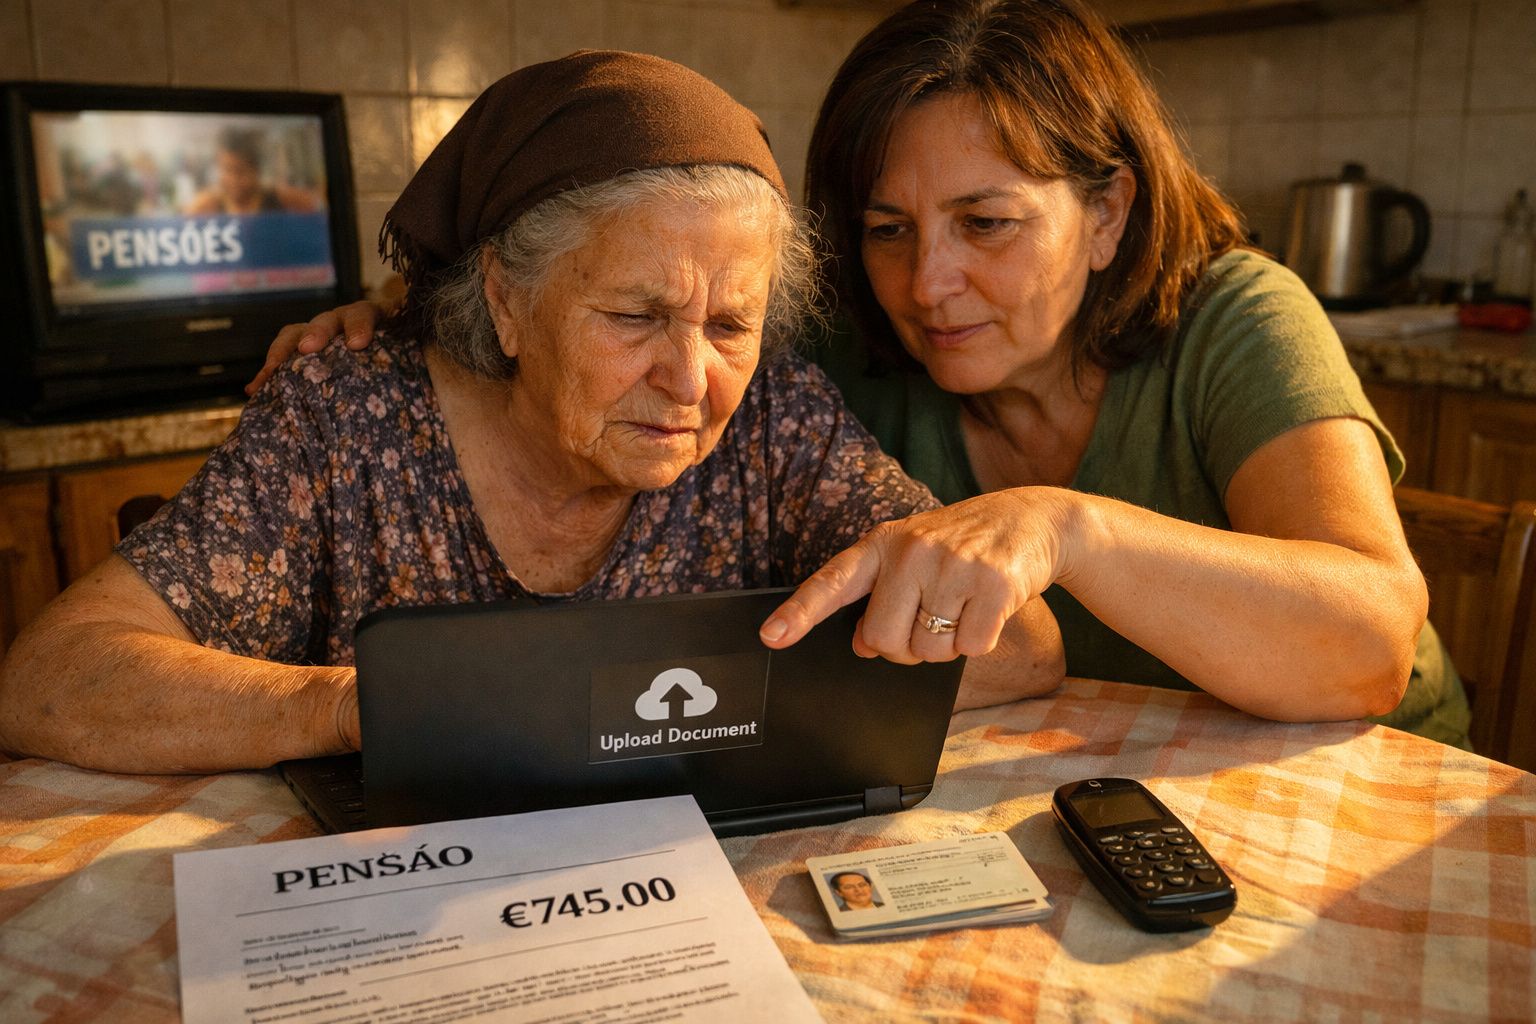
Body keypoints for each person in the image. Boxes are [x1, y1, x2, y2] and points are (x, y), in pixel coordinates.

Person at [256, 0, 1468, 747]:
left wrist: (1068, 529)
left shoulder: (1238, 320)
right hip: (1072, 774)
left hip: (1344, 768)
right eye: (889, 229)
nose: (929, 283)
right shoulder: (864, 348)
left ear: (1106, 213)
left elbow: (1367, 645)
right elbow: (668, 315)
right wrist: (432, 315)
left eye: (986, 223)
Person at [0, 51, 1065, 774]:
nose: (691, 379)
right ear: (505, 297)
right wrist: (357, 706)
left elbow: (1019, 645)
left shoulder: (774, 415)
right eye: (636, 316)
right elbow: (51, 677)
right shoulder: (347, 416)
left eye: (731, 324)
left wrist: (672, 699)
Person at [182, 126, 320, 215]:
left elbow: (317, 214)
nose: (232, 179)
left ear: (256, 171)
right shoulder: (207, 205)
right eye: (226, 169)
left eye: (240, 171)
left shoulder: (282, 199)